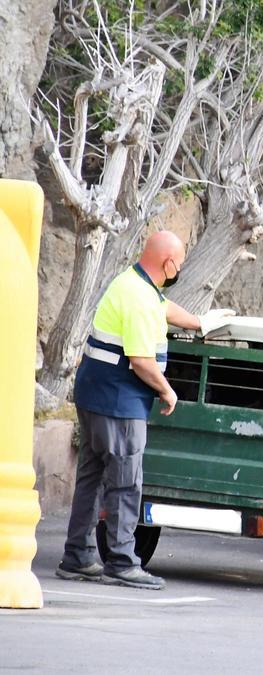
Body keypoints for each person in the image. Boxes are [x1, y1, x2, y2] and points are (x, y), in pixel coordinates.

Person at [57, 230, 203, 590]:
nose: (180, 267)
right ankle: (122, 560)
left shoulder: (133, 283)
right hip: (119, 402)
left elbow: (163, 307)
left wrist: (202, 323)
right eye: (180, 262)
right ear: (168, 263)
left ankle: (78, 556)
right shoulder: (139, 298)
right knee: (125, 483)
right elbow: (140, 360)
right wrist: (168, 391)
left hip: (95, 395)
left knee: (91, 479)